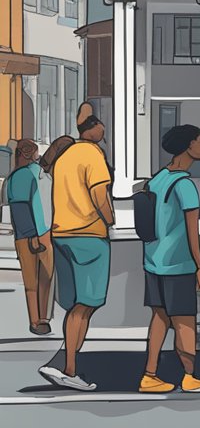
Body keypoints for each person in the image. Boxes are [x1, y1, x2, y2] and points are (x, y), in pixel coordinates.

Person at [138, 125, 200, 394]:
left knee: (159, 318)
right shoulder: (185, 185)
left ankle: (149, 374)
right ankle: (190, 376)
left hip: (153, 261)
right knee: (185, 320)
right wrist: (199, 267)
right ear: (188, 145)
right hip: (178, 263)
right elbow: (192, 232)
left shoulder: (158, 179)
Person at [38, 113, 114, 391]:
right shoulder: (92, 154)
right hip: (88, 235)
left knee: (75, 306)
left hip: (62, 234)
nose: (104, 128)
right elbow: (99, 195)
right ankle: (68, 367)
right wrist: (110, 220)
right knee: (86, 305)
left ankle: (65, 360)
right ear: (92, 128)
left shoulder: (65, 156)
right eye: (101, 124)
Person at [8, 139, 56, 335]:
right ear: (28, 154)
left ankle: (42, 317)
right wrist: (32, 236)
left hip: (42, 232)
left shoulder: (38, 174)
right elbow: (20, 209)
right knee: (33, 281)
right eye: (35, 152)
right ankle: (35, 320)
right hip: (31, 235)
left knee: (45, 279)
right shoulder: (22, 176)